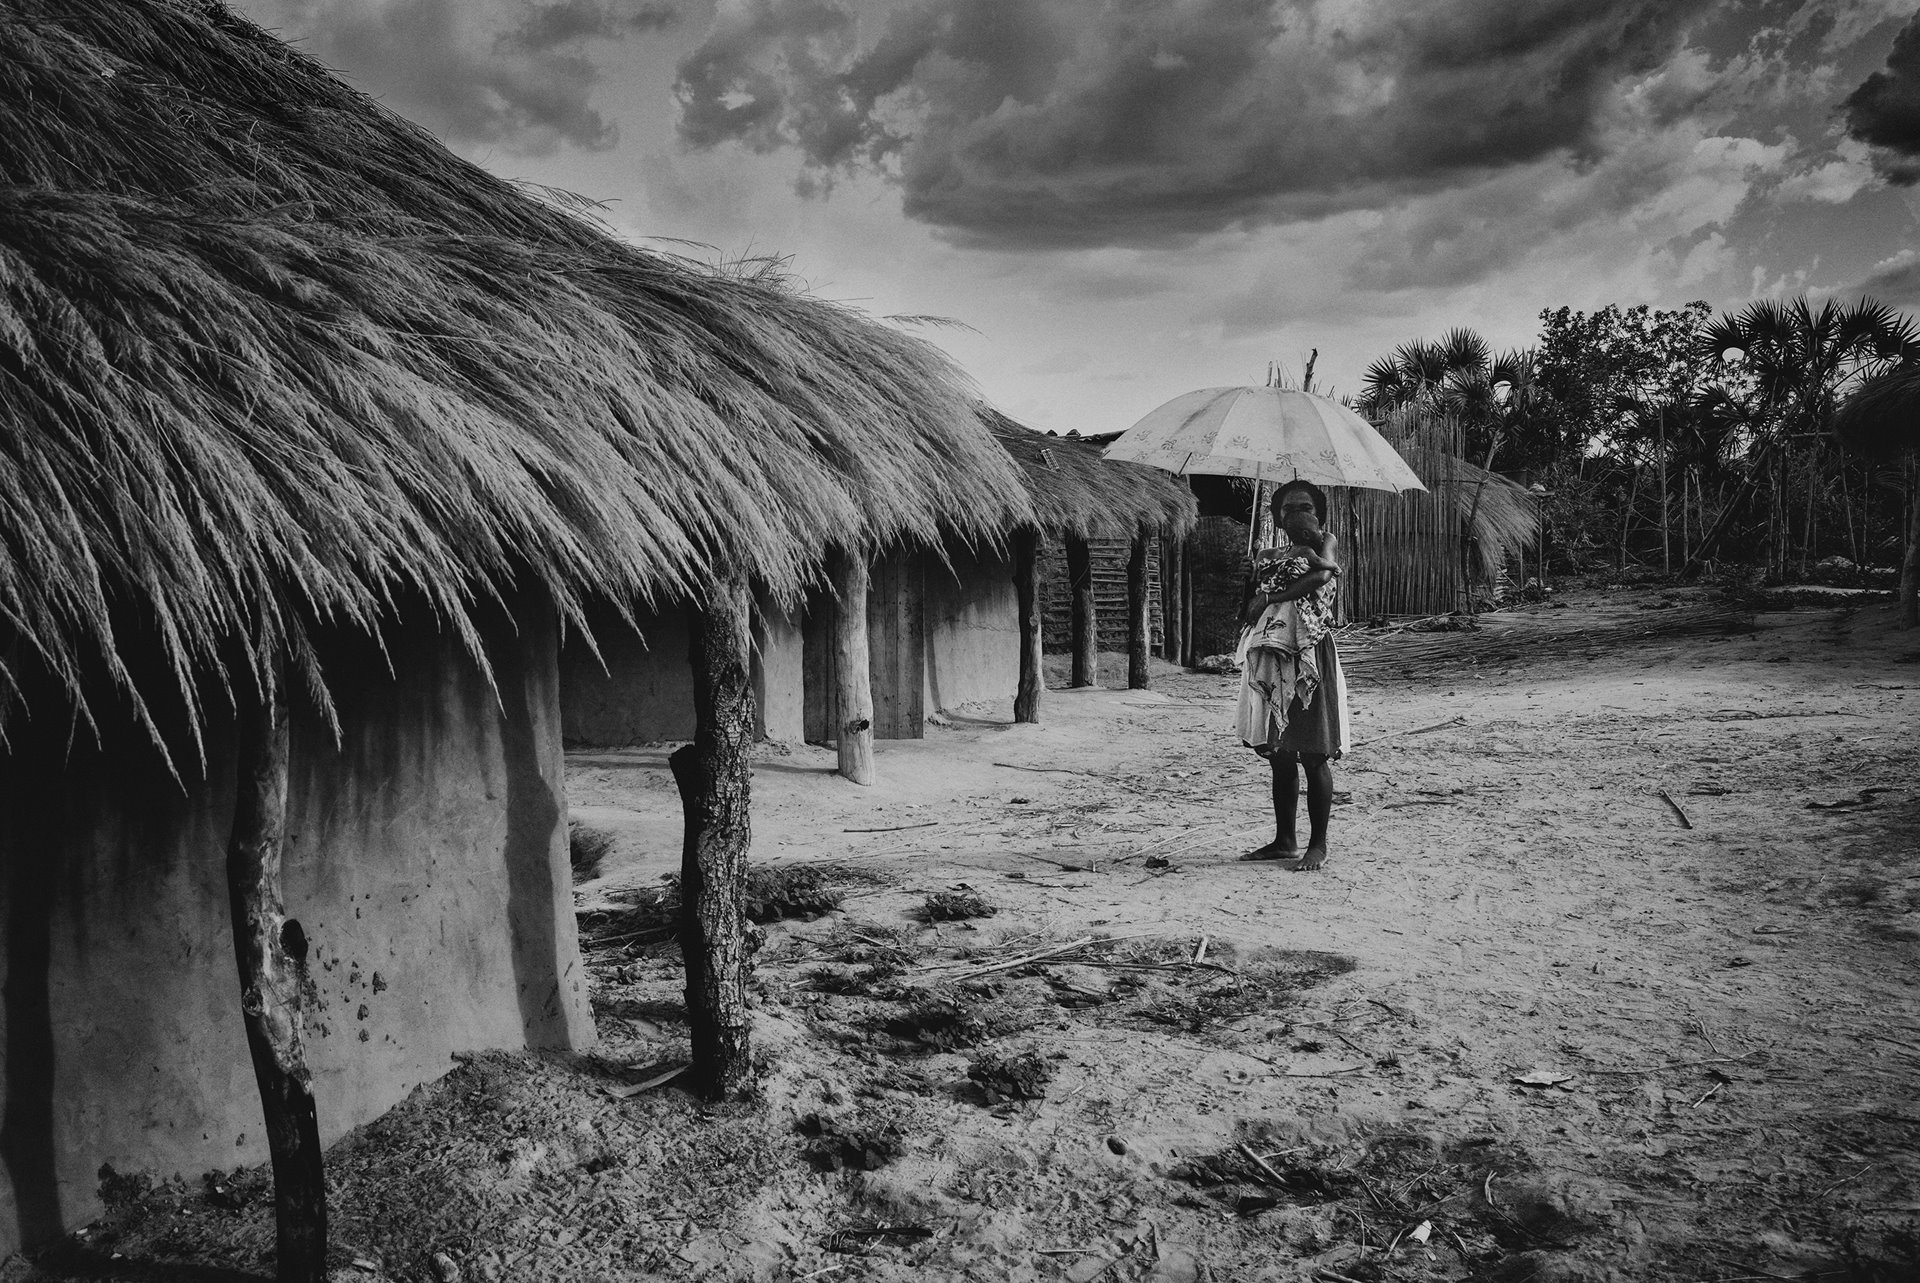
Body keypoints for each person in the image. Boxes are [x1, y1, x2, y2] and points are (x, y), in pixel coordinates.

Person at [1235, 480, 1350, 871]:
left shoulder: (1326, 543)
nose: (1296, 513)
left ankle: (1318, 845)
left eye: (1304, 506)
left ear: (1318, 511)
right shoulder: (1268, 552)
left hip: (1310, 650)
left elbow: (1322, 576)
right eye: (1287, 509)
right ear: (1276, 516)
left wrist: (1270, 594)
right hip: (1272, 647)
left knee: (1314, 752)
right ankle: (1285, 839)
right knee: (1279, 752)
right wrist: (1255, 578)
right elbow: (1254, 595)